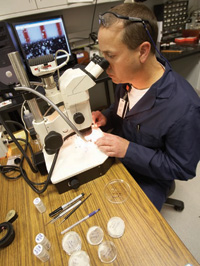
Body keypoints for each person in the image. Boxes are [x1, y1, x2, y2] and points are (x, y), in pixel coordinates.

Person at [92, 2, 200, 211]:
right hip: (120, 157)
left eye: (110, 56)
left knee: (133, 225)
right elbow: (122, 110)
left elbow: (182, 168)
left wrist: (128, 150)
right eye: (102, 55)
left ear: (142, 51)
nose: (103, 66)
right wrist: (107, 117)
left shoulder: (185, 108)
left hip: (152, 176)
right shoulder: (126, 78)